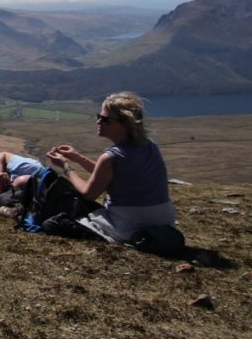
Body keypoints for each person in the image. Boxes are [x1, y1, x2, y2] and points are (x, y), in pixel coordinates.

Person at [46, 91, 176, 243]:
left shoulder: (111, 157)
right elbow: (110, 175)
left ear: (124, 124)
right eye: (98, 117)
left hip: (129, 226)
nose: (98, 122)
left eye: (105, 119)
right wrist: (78, 158)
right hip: (164, 222)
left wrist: (66, 166)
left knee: (51, 224)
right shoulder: (149, 146)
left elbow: (88, 194)